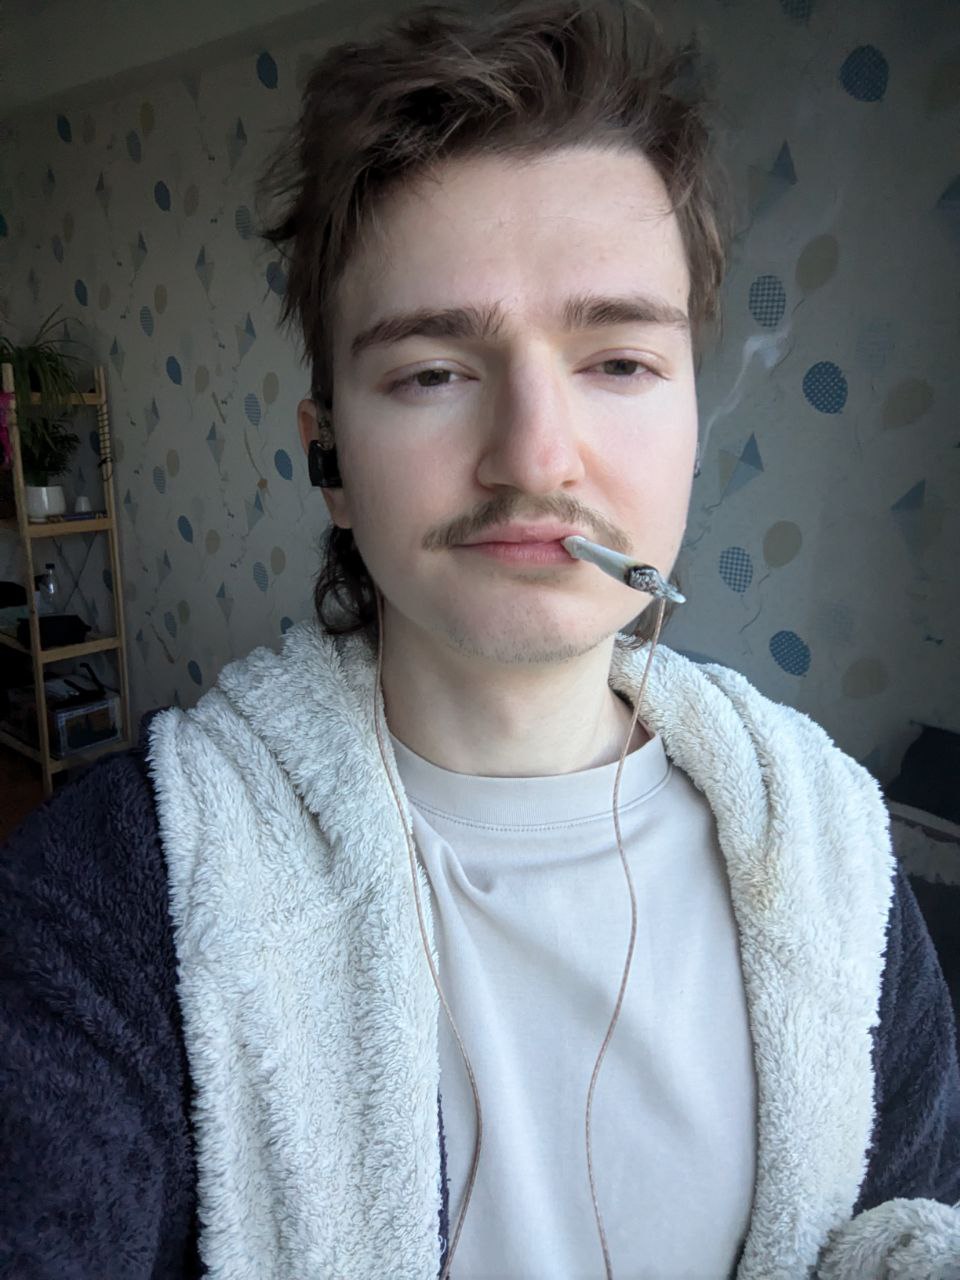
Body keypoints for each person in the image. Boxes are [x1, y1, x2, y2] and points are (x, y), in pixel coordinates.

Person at [2, 2, 959, 1277]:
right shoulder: (118, 898)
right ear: (329, 459)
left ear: (693, 417)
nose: (534, 457)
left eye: (618, 362)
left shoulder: (834, 848)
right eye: (432, 373)